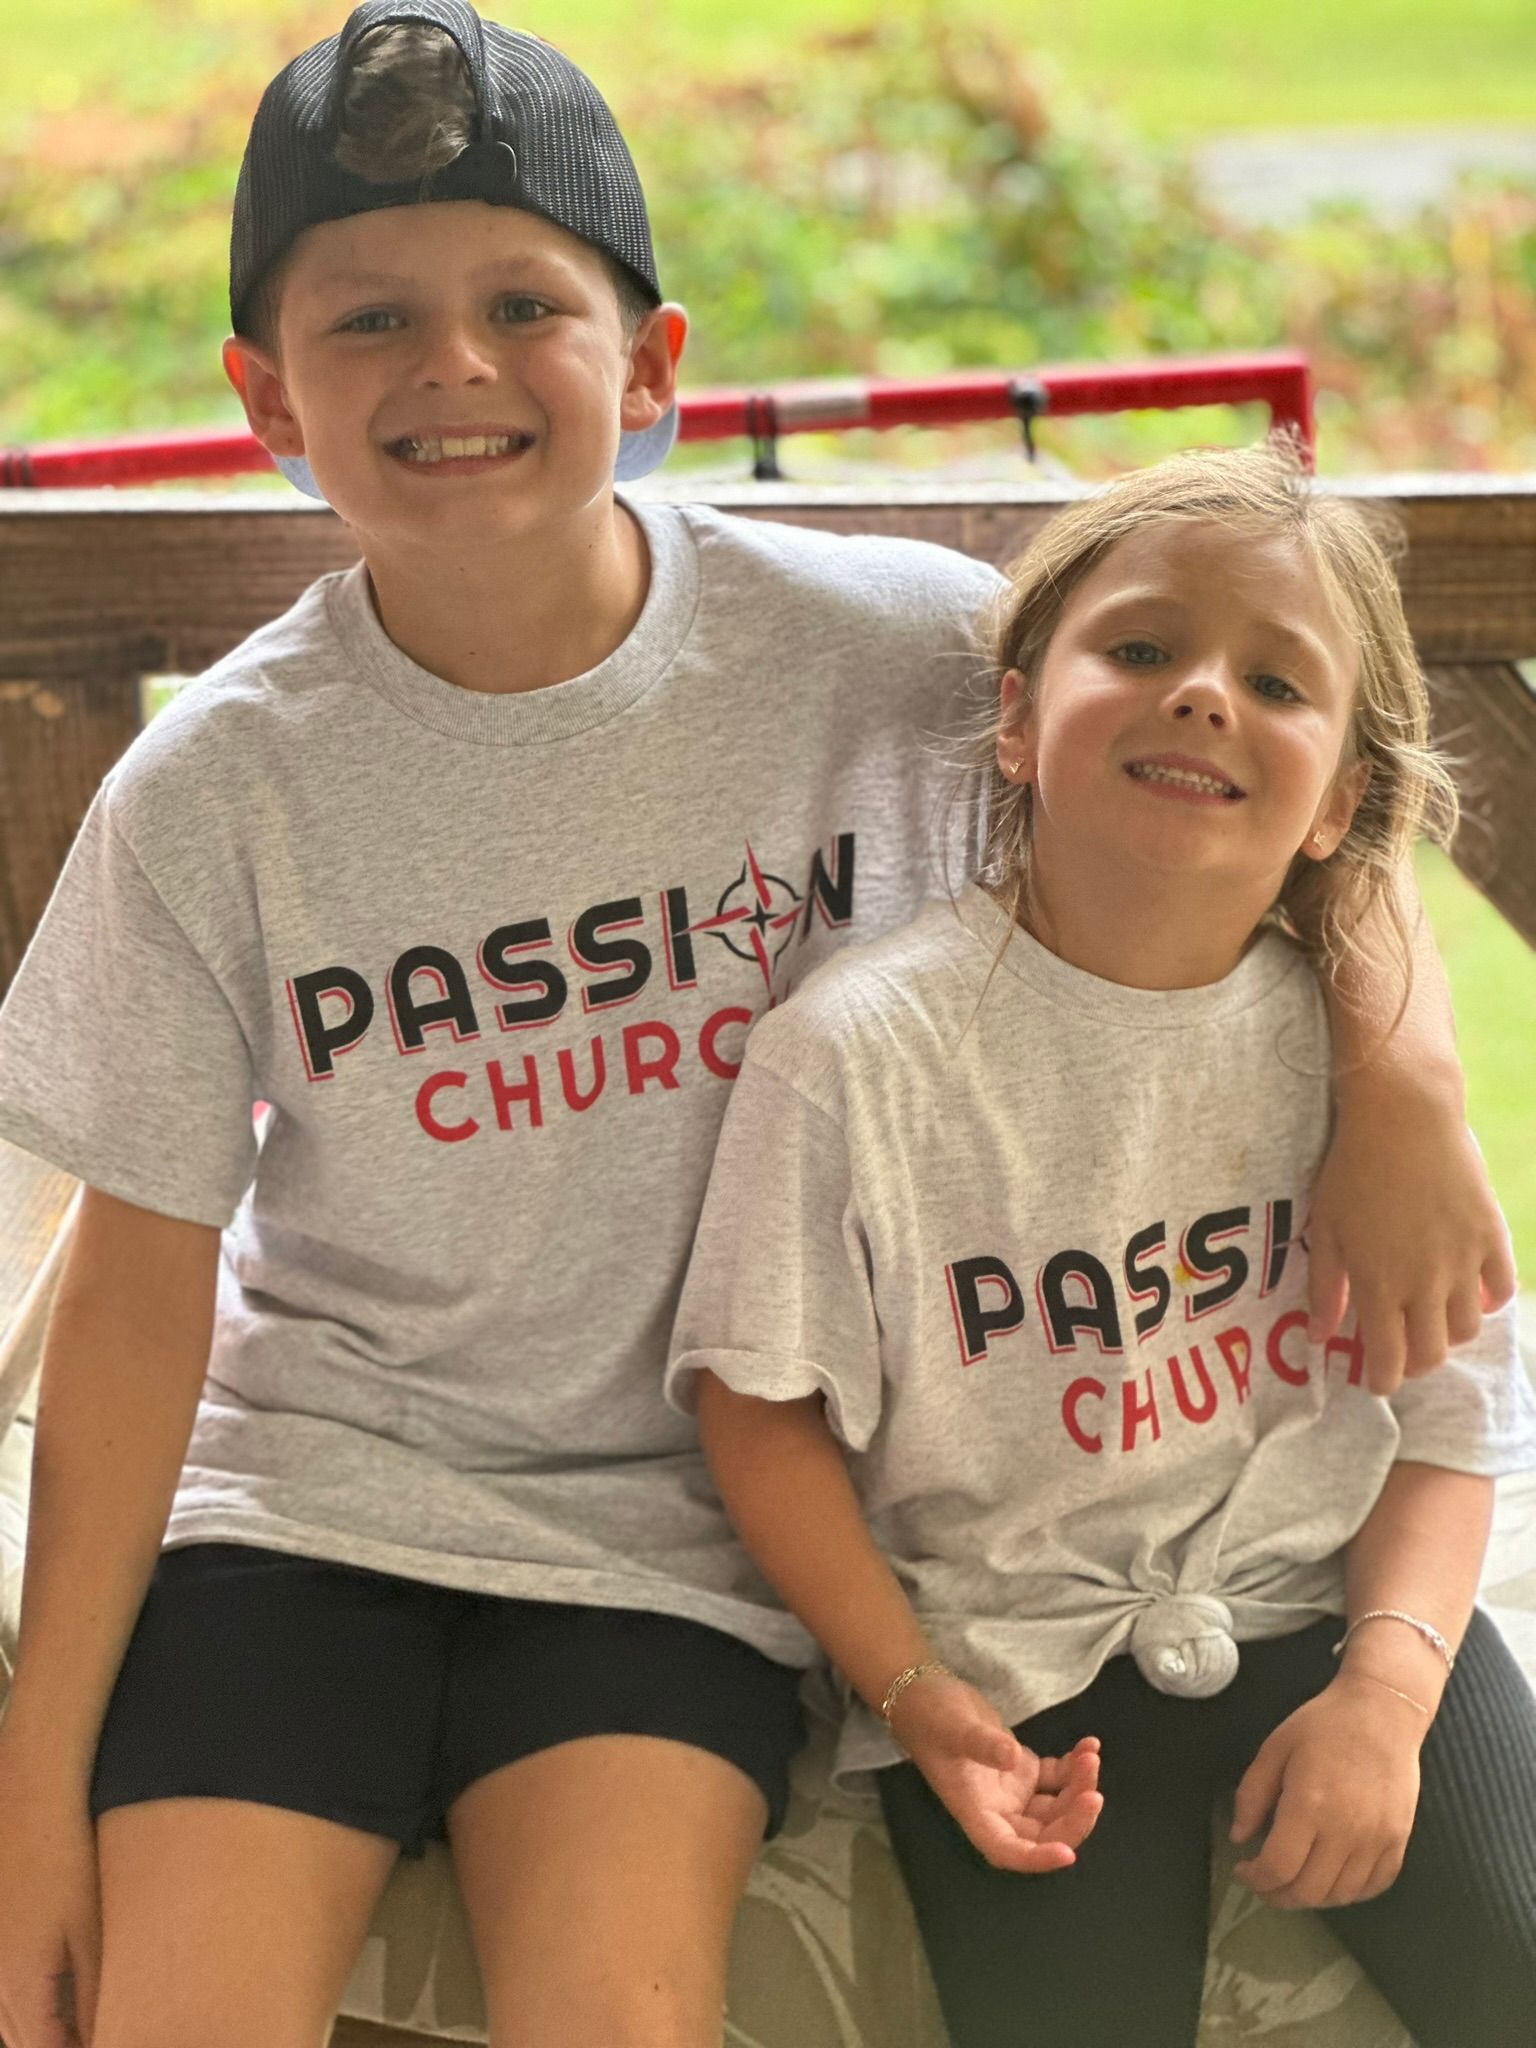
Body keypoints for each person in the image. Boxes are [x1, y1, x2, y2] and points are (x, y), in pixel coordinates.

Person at [0, 0, 1514, 2037]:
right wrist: (32, 1780)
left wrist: (1400, 1066)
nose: (450, 366)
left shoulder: (886, 647)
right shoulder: (217, 793)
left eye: (521, 303)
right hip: (310, 1502)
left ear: (649, 367)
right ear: (265, 399)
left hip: (684, 1545)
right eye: (367, 323)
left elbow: (1248, 753)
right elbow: (132, 1292)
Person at [667, 443, 1536, 2048]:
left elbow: (1451, 1419)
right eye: (1141, 650)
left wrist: (1389, 1705)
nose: (1203, 694)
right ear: (1015, 716)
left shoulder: (1366, 1072)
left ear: (1344, 796)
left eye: (1277, 681)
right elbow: (758, 1406)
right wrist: (919, 1701)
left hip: (1342, 1607)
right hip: (1019, 1663)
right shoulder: (854, 1055)